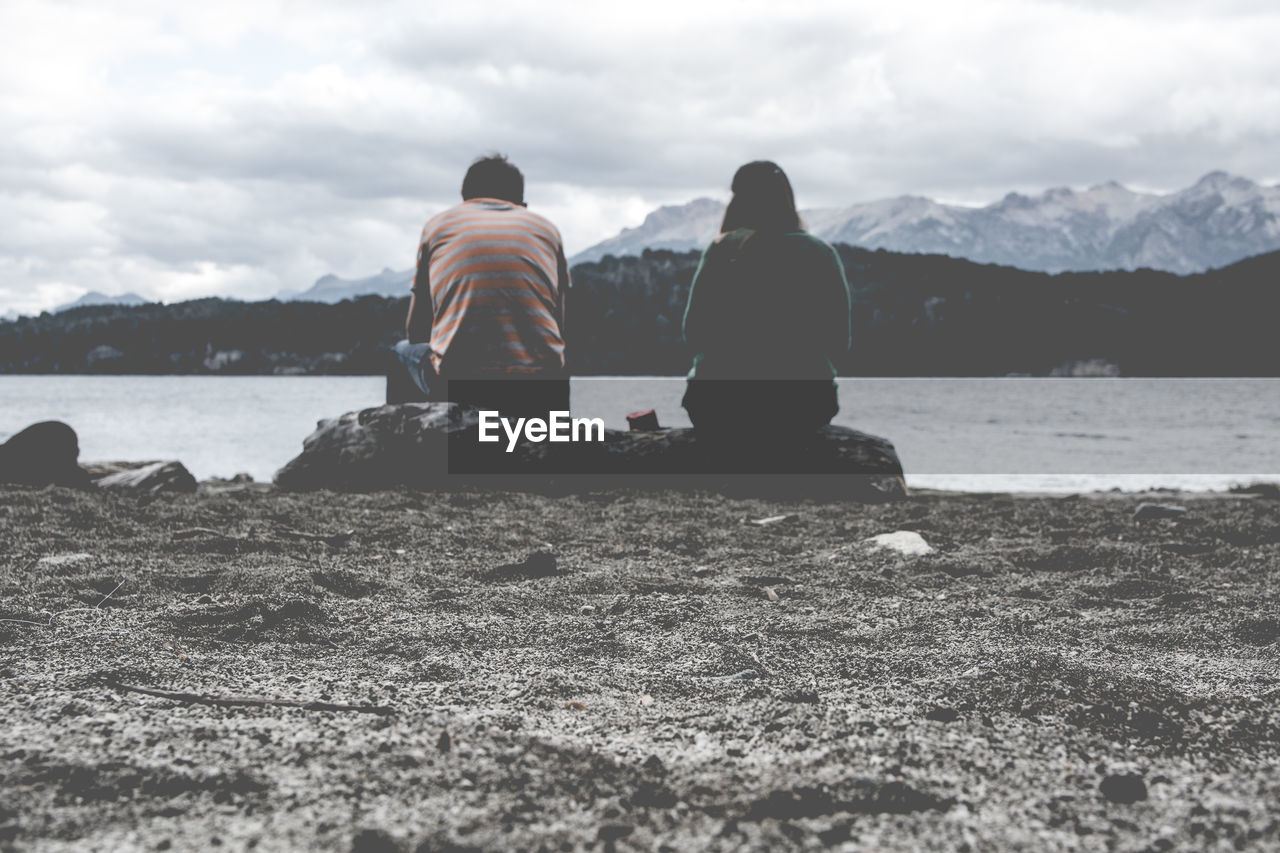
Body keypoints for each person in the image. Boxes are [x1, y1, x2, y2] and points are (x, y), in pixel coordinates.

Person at [681, 161, 852, 441]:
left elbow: (694, 333)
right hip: (803, 404)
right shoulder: (820, 254)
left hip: (716, 403)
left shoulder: (722, 249)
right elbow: (839, 342)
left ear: (738, 199)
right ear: (786, 198)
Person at [392, 154, 570, 418]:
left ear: (465, 198)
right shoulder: (547, 230)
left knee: (400, 353)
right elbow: (561, 327)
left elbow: (417, 330)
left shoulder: (439, 226)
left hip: (462, 386)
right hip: (543, 389)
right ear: (521, 203)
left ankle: (401, 444)